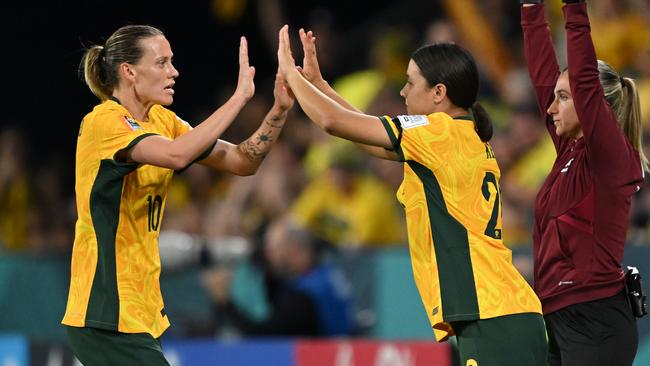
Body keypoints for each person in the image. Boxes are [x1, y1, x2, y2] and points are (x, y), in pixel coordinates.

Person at [276, 25, 547, 365]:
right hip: (503, 310)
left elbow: (332, 122)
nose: (402, 92)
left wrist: (290, 74)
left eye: (410, 82)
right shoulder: (460, 136)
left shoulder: (437, 133)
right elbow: (366, 135)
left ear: (438, 93)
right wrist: (319, 85)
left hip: (490, 312)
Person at [61, 25, 294, 365]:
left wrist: (279, 109)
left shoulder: (163, 121)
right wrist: (239, 98)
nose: (174, 72)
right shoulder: (105, 123)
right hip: (105, 310)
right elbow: (177, 156)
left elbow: (243, 161)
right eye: (162, 63)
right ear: (128, 71)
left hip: (137, 310)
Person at [520, 1, 646, 365]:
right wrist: (531, 8)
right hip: (560, 317)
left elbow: (585, 82)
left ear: (595, 106)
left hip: (596, 320)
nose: (550, 108)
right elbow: (541, 73)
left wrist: (573, 9)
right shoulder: (569, 152)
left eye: (563, 98)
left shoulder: (609, 157)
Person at [202, 216, 355, 337]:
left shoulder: (306, 296)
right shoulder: (324, 273)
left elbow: (265, 337)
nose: (268, 256)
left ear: (295, 250)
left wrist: (225, 303)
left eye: (274, 249)